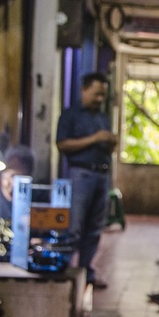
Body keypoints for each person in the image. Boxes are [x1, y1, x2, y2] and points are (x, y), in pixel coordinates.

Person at [55, 72, 117, 288]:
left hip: (101, 174)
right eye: (96, 94)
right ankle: (64, 270)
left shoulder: (103, 117)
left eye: (103, 95)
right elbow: (62, 144)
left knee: (94, 228)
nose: (100, 99)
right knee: (74, 227)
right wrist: (94, 139)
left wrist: (110, 142)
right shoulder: (71, 115)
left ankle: (85, 272)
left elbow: (107, 145)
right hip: (80, 174)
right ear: (84, 89)